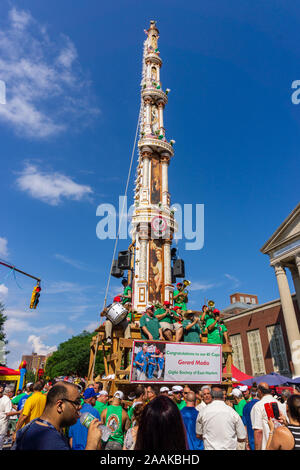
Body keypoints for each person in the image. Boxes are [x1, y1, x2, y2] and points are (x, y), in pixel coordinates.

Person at [13, 381, 102, 450]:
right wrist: (91, 444)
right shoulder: (52, 442)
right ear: (59, 406)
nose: (80, 406)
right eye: (77, 402)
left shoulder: (31, 426)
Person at [196, 385, 246, 450]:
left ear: (211, 396)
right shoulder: (232, 412)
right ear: (223, 396)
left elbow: (198, 435)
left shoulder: (203, 412)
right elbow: (242, 437)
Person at [251, 382, 286, 450]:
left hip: (266, 446)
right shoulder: (281, 405)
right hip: (281, 446)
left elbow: (258, 431)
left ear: (259, 391)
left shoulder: (258, 406)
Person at [0, 386, 13, 450]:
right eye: (12, 392)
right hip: (3, 421)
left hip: (0, 419)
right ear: (9, 393)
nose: (12, 393)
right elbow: (8, 413)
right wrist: (19, 412)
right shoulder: (8, 400)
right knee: (1, 437)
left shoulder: (2, 398)